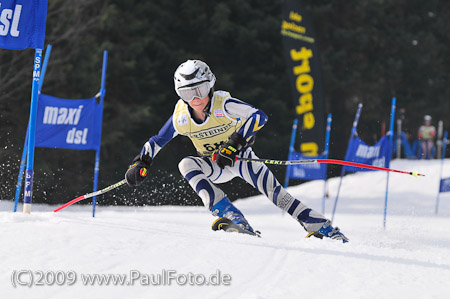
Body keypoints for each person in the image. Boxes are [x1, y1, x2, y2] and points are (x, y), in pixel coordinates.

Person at [124, 59, 348, 242]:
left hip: (241, 159)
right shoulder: (181, 116)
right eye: (187, 93)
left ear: (210, 85)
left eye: (200, 90)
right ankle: (230, 214)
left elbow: (259, 116)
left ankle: (325, 229)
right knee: (186, 164)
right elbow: (158, 140)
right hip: (214, 165)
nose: (195, 99)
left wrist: (234, 145)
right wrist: (141, 162)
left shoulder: (224, 105)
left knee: (278, 196)